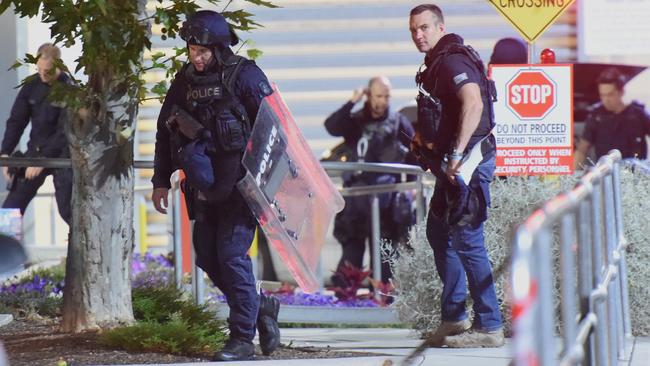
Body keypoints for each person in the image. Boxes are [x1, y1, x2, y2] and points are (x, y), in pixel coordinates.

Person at [150, 10, 280, 361]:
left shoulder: (246, 76)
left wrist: (266, 186)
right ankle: (261, 307)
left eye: (204, 50)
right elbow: (166, 132)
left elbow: (275, 129)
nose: (197, 56)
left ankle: (241, 338)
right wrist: (160, 180)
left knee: (232, 254)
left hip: (241, 186)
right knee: (207, 255)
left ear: (220, 47)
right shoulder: (185, 82)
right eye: (193, 49)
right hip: (204, 188)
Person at [408, 4, 504, 347]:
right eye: (413, 30)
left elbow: (473, 103)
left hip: (468, 164)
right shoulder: (438, 62)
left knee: (467, 239)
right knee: (439, 232)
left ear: (439, 27)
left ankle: (489, 326)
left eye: (424, 28)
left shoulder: (450, 61)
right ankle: (454, 318)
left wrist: (457, 153)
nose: (418, 35)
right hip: (455, 166)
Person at [324, 76, 414, 286]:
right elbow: (331, 126)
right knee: (351, 257)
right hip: (356, 201)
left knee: (384, 258)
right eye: (378, 96)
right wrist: (352, 102)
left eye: (386, 96)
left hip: (386, 202)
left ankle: (382, 304)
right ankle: (344, 305)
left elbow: (413, 154)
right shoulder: (356, 120)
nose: (382, 101)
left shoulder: (398, 122)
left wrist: (411, 187)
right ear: (368, 95)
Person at [1, 43, 72, 225]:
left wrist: (43, 158)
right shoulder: (32, 86)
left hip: (62, 157)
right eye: (39, 70)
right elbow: (17, 121)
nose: (42, 75)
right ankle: (6, 253)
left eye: (47, 71)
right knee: (10, 211)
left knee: (68, 211)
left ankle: (79, 252)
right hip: (35, 152)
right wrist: (6, 154)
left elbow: (66, 131)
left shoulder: (70, 90)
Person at [574, 67, 650, 169]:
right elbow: (581, 150)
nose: (606, 100)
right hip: (606, 176)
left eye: (610, 95)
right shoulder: (596, 116)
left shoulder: (638, 114)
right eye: (602, 95)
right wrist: (572, 175)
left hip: (635, 175)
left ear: (621, 92)